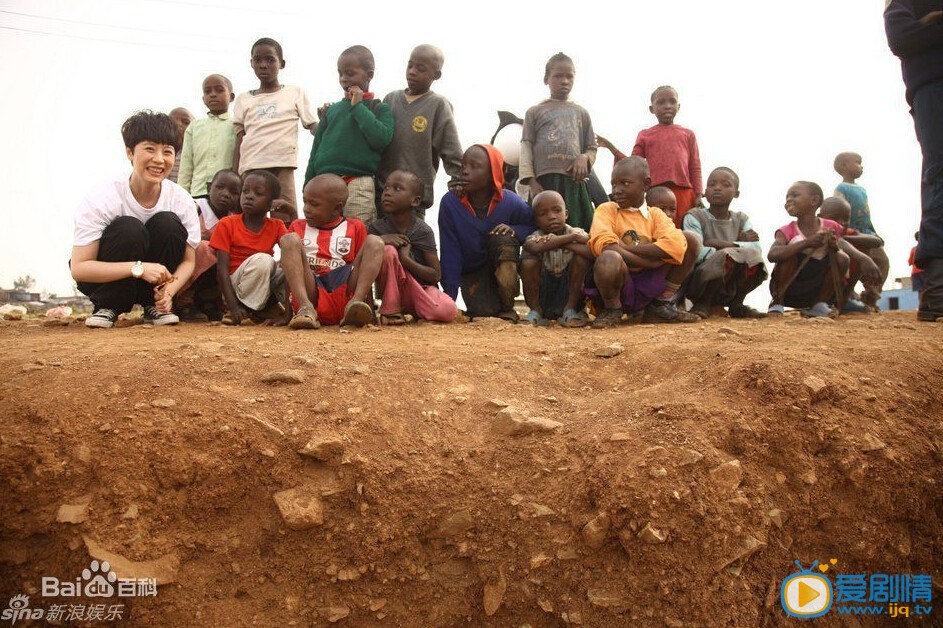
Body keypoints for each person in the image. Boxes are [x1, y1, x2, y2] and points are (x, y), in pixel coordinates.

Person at [71, 110, 200, 328]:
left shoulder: (181, 200)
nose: (159, 160)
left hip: (155, 283)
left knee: (168, 223)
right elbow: (80, 267)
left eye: (167, 152)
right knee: (128, 228)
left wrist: (169, 292)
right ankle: (108, 305)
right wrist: (138, 268)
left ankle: (153, 304)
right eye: (149, 149)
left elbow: (188, 260)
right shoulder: (103, 197)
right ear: (130, 152)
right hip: (105, 280)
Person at [585, 156, 701, 328]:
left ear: (646, 184)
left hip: (650, 280)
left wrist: (625, 248)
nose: (617, 190)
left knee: (690, 240)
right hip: (619, 280)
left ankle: (660, 304)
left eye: (625, 183)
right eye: (613, 184)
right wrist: (648, 261)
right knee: (609, 257)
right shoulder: (607, 209)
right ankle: (613, 309)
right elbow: (605, 244)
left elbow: (675, 245)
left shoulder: (655, 214)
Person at [885, 1, 943, 321]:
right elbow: (902, 37)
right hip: (934, 88)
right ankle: (937, 288)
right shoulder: (905, 2)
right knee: (940, 177)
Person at [438, 144, 535, 322]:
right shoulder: (450, 203)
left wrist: (516, 230)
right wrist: (449, 299)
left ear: (493, 173)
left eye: (474, 166)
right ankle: (487, 304)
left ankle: (507, 306)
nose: (465, 171)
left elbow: (534, 226)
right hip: (472, 272)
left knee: (504, 239)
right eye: (463, 166)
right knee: (483, 313)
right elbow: (450, 251)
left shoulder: (510, 201)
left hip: (499, 265)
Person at [279, 174, 384, 329]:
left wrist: (370, 313)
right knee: (288, 240)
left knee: (375, 242)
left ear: (337, 208)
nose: (306, 209)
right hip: (311, 289)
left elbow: (363, 270)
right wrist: (287, 314)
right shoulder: (298, 226)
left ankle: (356, 304)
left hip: (344, 290)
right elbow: (291, 273)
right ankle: (304, 308)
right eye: (305, 202)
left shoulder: (354, 227)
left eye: (314, 204)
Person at [305, 45, 393, 226]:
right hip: (324, 184)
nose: (344, 79)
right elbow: (316, 150)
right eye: (340, 74)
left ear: (369, 75)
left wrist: (357, 106)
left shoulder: (379, 108)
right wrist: (308, 185)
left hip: (358, 183)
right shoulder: (332, 110)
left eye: (350, 73)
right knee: (322, 235)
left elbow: (382, 139)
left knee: (357, 234)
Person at [233, 37, 317, 224]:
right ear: (251, 63)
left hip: (282, 165)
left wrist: (330, 121)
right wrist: (235, 172)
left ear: (282, 63)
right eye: (258, 60)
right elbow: (240, 138)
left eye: (270, 60)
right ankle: (253, 254)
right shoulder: (243, 99)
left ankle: (287, 253)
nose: (263, 65)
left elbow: (313, 125)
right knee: (251, 219)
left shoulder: (294, 92)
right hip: (252, 166)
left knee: (285, 217)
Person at [767, 181, 880, 317]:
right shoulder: (786, 230)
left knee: (842, 257)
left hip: (817, 288)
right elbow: (772, 255)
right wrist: (807, 243)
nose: (789, 200)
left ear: (814, 200)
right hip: (791, 289)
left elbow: (842, 242)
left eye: (794, 195)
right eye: (787, 197)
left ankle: (819, 304)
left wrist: (862, 258)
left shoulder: (830, 226)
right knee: (788, 253)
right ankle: (777, 303)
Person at [596, 86, 702, 228]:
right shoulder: (645, 134)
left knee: (683, 231)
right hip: (655, 194)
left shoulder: (688, 134)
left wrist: (698, 194)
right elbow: (633, 165)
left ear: (679, 106)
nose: (667, 106)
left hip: (683, 193)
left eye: (672, 101)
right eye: (661, 102)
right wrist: (612, 149)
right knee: (655, 230)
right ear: (652, 109)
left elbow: (695, 166)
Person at [377, 44, 463, 218]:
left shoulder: (438, 105)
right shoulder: (390, 99)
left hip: (412, 199)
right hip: (381, 192)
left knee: (411, 240)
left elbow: (450, 146)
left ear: (436, 75)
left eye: (421, 68)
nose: (412, 71)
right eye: (410, 65)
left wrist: (458, 180)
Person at [519, 52, 597, 231]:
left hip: (574, 183)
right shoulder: (535, 112)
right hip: (544, 183)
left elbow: (591, 147)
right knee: (542, 230)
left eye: (569, 76)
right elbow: (526, 146)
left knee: (579, 228)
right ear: (546, 79)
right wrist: (531, 181)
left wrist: (584, 158)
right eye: (558, 76)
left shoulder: (581, 113)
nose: (564, 81)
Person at [369, 170, 457, 324]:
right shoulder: (377, 229)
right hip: (391, 291)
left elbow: (435, 275)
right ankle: (391, 311)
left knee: (448, 310)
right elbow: (364, 266)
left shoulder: (422, 231)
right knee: (388, 250)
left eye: (397, 189)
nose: (388, 193)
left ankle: (412, 311)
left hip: (420, 290)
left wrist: (405, 259)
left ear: (415, 201)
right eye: (386, 188)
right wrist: (380, 240)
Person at [682, 167, 767, 319]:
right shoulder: (694, 216)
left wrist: (718, 243)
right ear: (705, 192)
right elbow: (698, 252)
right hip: (700, 280)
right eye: (712, 184)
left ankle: (737, 304)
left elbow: (756, 249)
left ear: (736, 193)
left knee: (754, 258)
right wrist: (737, 247)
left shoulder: (742, 219)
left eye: (725, 184)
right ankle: (703, 303)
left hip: (731, 283)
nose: (717, 188)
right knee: (727, 257)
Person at [209, 170, 289, 324]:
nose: (249, 196)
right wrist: (233, 307)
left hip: (260, 280)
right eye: (245, 191)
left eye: (258, 193)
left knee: (289, 269)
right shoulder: (227, 223)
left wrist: (291, 214)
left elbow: (293, 249)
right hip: (234, 286)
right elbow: (222, 269)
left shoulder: (276, 225)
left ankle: (275, 310)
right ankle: (245, 310)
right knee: (264, 260)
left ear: (272, 202)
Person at [175, 169, 243, 321]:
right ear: (208, 188)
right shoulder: (194, 208)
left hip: (211, 273)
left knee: (228, 253)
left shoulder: (235, 220)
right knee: (204, 248)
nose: (225, 194)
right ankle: (183, 301)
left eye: (234, 192)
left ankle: (209, 301)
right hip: (182, 265)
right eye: (220, 187)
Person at [520, 190, 592, 327]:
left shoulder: (577, 232)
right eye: (543, 214)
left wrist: (565, 240)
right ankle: (535, 311)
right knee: (528, 261)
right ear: (536, 220)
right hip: (544, 294)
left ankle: (570, 310)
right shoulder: (536, 236)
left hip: (570, 293)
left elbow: (592, 251)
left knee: (583, 258)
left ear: (566, 214)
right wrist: (572, 240)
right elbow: (533, 247)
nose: (551, 216)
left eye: (557, 210)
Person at [832, 152, 889, 310]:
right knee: (853, 264)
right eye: (857, 162)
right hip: (851, 233)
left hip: (868, 233)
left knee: (882, 262)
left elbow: (866, 216)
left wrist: (874, 232)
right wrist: (842, 230)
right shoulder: (841, 188)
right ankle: (849, 295)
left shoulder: (862, 189)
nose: (861, 166)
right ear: (844, 166)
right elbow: (839, 210)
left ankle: (871, 296)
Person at [818, 196, 884, 313]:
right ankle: (821, 302)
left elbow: (876, 241)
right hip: (818, 285)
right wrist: (863, 258)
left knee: (863, 247)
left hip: (841, 284)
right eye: (835, 218)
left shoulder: (847, 233)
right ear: (820, 218)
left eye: (846, 218)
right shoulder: (817, 231)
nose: (842, 223)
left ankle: (843, 300)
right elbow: (839, 241)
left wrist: (846, 238)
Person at [178, 74, 237, 198]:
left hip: (227, 196)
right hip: (197, 194)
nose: (213, 94)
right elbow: (186, 166)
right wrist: (182, 196)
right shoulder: (194, 127)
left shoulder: (237, 125)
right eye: (207, 91)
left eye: (219, 90)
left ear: (231, 97)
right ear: (203, 99)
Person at [167, 107, 194, 183]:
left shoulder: (196, 155)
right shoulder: (160, 154)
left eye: (186, 122)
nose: (178, 125)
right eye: (172, 123)